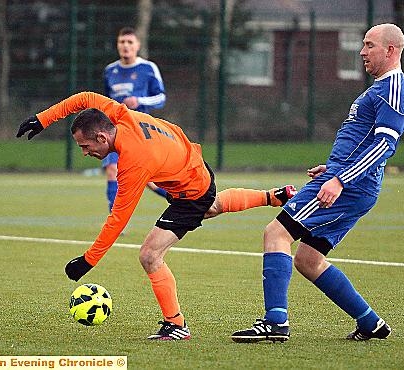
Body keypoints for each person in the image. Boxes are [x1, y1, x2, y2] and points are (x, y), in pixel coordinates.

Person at [16, 91, 296, 341]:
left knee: (150, 254)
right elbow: (85, 98)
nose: (85, 152)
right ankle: (272, 197)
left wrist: (88, 260)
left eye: (85, 146)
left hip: (191, 190)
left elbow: (118, 219)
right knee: (212, 205)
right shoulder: (118, 114)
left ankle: (176, 325)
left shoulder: (133, 161)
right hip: (191, 164)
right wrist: (42, 119)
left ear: (102, 137)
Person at [231, 23, 404, 343]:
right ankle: (370, 322)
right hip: (348, 180)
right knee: (308, 259)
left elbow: (384, 145)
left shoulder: (394, 90)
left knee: (276, 234)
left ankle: (275, 323)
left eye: (369, 45)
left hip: (350, 185)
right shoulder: (379, 88)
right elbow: (364, 140)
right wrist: (333, 167)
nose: (362, 52)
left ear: (391, 50)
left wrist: (340, 179)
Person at [103, 27, 167, 211]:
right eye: (122, 42)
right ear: (117, 45)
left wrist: (139, 101)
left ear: (137, 45)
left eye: (130, 42)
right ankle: (114, 218)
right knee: (112, 169)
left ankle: (184, 202)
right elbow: (107, 101)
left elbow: (161, 98)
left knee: (149, 180)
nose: (126, 46)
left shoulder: (148, 68)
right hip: (114, 130)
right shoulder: (110, 71)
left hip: (140, 131)